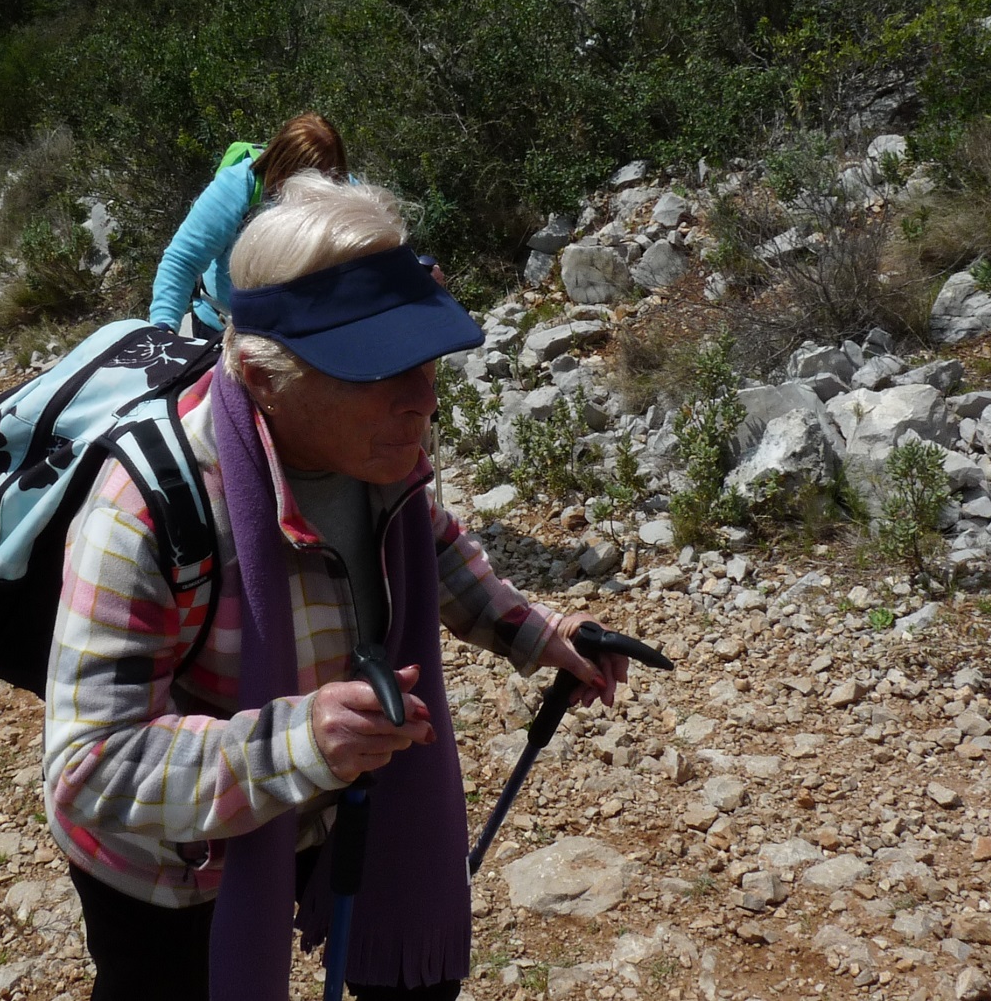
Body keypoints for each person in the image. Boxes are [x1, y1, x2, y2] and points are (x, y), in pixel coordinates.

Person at [45, 170, 628, 1001]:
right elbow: (90, 769)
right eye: (374, 372)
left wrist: (537, 630)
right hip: (176, 866)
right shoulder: (144, 510)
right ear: (260, 376)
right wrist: (297, 745)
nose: (422, 401)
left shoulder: (374, 459)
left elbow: (430, 546)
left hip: (334, 789)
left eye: (423, 361)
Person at [149, 111, 349, 336]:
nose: (315, 192)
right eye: (308, 179)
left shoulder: (344, 194)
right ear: (282, 167)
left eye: (327, 180)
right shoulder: (239, 187)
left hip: (295, 332)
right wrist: (163, 329)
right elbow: (183, 260)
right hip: (224, 328)